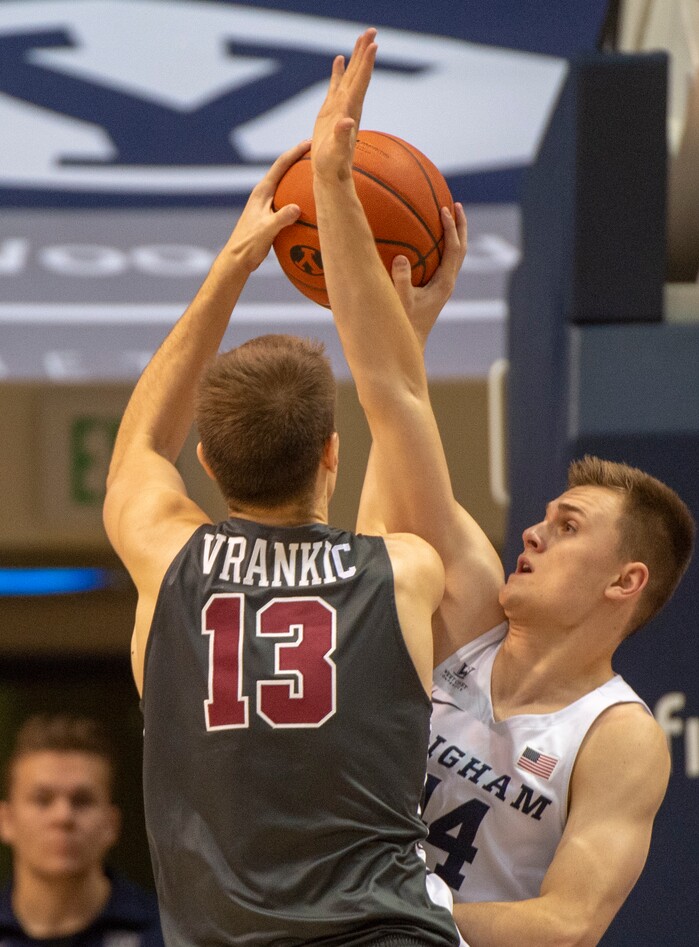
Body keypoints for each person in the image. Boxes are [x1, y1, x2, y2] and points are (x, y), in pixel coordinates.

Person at [313, 28, 696, 947]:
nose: (533, 532)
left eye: (566, 527)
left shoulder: (617, 736)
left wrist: (391, 924)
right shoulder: (470, 609)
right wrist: (339, 195)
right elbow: (395, 406)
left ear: (624, 580)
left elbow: (566, 924)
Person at [101, 32, 462, 947]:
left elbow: (143, 440)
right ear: (331, 455)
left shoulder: (166, 557)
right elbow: (399, 404)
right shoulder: (403, 570)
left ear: (210, 465)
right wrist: (341, 198)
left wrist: (230, 267)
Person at [0, 714, 164, 947]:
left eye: (82, 801)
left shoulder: (167, 933)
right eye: (42, 800)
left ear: (111, 824)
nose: (63, 816)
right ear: (7, 821)